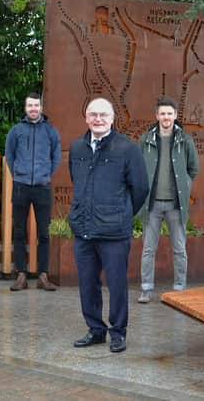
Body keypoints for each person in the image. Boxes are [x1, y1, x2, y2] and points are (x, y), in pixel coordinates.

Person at [68, 97, 149, 353]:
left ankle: (118, 332)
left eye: (103, 115)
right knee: (87, 283)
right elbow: (76, 181)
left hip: (114, 232)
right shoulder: (77, 147)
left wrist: (123, 213)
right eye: (93, 114)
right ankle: (95, 330)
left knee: (116, 284)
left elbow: (140, 188)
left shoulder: (127, 149)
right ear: (86, 118)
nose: (98, 119)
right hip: (84, 229)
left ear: (113, 119)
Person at [137, 97, 199, 303]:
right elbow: (137, 167)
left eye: (169, 113)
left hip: (175, 205)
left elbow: (193, 169)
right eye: (162, 113)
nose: (166, 117)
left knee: (179, 248)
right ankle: (146, 289)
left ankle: (180, 289)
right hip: (152, 204)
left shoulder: (185, 140)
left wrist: (185, 186)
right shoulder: (146, 139)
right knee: (148, 248)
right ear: (157, 116)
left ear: (175, 116)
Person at [5, 93, 61, 291]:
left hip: (42, 187)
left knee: (44, 232)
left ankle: (42, 276)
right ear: (25, 107)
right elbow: (9, 156)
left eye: (36, 105)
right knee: (19, 231)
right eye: (30, 105)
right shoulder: (16, 131)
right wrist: (18, 174)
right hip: (21, 186)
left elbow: (56, 156)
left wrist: (46, 174)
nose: (33, 109)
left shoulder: (51, 131)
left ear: (41, 107)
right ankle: (21, 275)